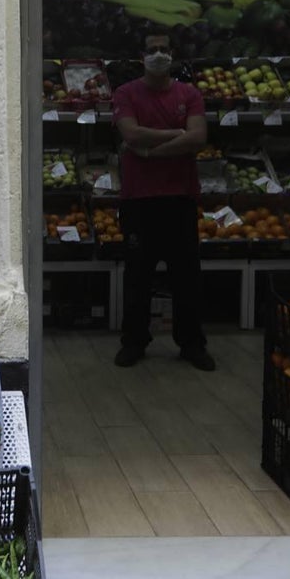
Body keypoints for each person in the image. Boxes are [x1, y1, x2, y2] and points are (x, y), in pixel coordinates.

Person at [111, 32, 215, 371]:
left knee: (187, 276)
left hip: (180, 198)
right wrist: (176, 135)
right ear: (142, 56)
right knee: (137, 277)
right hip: (138, 200)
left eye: (164, 49)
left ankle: (192, 344)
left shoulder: (189, 94)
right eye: (152, 49)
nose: (158, 54)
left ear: (173, 54)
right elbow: (130, 133)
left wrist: (147, 152)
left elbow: (198, 138)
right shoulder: (126, 93)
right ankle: (134, 342)